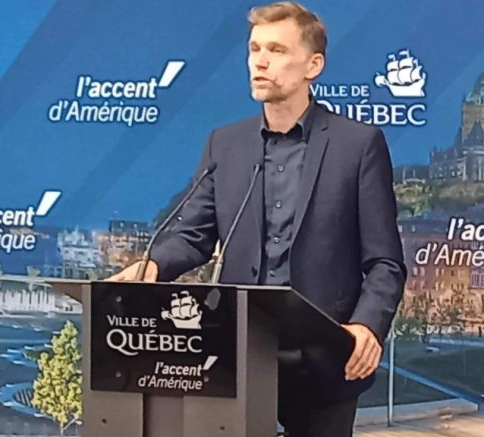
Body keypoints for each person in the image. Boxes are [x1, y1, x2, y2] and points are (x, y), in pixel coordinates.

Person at [107, 2, 405, 436]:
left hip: (323, 359)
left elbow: (385, 263)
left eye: (277, 50)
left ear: (313, 65)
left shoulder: (357, 145)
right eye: (254, 49)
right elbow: (193, 235)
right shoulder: (224, 145)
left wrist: (366, 326)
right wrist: (151, 267)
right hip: (236, 354)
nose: (260, 61)